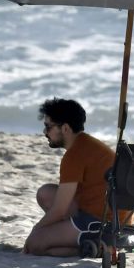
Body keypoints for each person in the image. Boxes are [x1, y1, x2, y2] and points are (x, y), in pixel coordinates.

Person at [24, 98, 120, 257]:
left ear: (66, 128)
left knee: (35, 243)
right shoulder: (86, 144)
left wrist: (36, 230)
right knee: (45, 193)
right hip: (110, 215)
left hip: (102, 222)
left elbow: (60, 210)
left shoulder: (75, 155)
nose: (44, 132)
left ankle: (95, 247)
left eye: (48, 127)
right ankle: (73, 238)